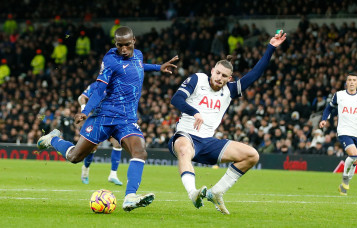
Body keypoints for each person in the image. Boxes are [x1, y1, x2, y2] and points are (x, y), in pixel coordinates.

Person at [37, 26, 179, 212]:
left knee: (140, 152)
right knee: (74, 157)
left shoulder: (138, 55)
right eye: (120, 46)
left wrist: (158, 67)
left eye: (127, 45)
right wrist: (86, 111)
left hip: (126, 119)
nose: (124, 49)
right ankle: (53, 139)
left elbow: (138, 66)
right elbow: (100, 88)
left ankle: (130, 197)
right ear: (115, 44)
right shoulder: (110, 60)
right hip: (104, 116)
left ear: (134, 41)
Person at [168, 31, 286, 214]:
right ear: (212, 71)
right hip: (186, 136)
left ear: (229, 79)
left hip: (208, 142)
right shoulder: (197, 79)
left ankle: (217, 192)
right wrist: (195, 112)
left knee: (252, 155)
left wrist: (271, 47)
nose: (219, 78)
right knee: (184, 150)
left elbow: (255, 73)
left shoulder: (230, 91)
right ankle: (193, 193)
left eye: (224, 76)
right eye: (218, 73)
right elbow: (176, 100)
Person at [319, 73, 357, 196]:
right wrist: (324, 119)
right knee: (353, 154)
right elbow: (328, 108)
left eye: (354, 80)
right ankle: (345, 180)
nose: (351, 82)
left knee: (355, 160)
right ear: (346, 82)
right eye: (349, 80)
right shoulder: (339, 95)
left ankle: (343, 187)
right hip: (344, 131)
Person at [78, 82, 123, 186]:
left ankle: (113, 174)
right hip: (98, 119)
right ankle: (85, 171)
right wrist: (84, 110)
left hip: (112, 119)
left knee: (118, 143)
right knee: (92, 148)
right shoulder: (96, 85)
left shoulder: (118, 85)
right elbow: (81, 98)